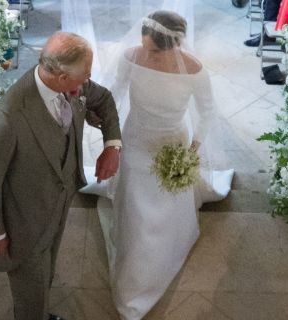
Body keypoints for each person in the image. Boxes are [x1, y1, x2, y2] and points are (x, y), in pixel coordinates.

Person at [81, 10, 233, 319]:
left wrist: (192, 149)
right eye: (143, 43)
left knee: (167, 198)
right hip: (136, 138)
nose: (144, 52)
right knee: (136, 208)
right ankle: (133, 282)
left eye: (152, 49)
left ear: (173, 46)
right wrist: (101, 120)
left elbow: (207, 114)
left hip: (172, 143)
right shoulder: (131, 57)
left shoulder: (195, 70)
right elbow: (115, 94)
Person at [0, 31, 122, 320]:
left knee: (46, 271)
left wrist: (112, 146)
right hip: (24, 221)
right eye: (85, 75)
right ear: (60, 76)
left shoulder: (73, 87)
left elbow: (103, 99)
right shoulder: (6, 120)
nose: (87, 81)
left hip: (59, 200)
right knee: (29, 285)